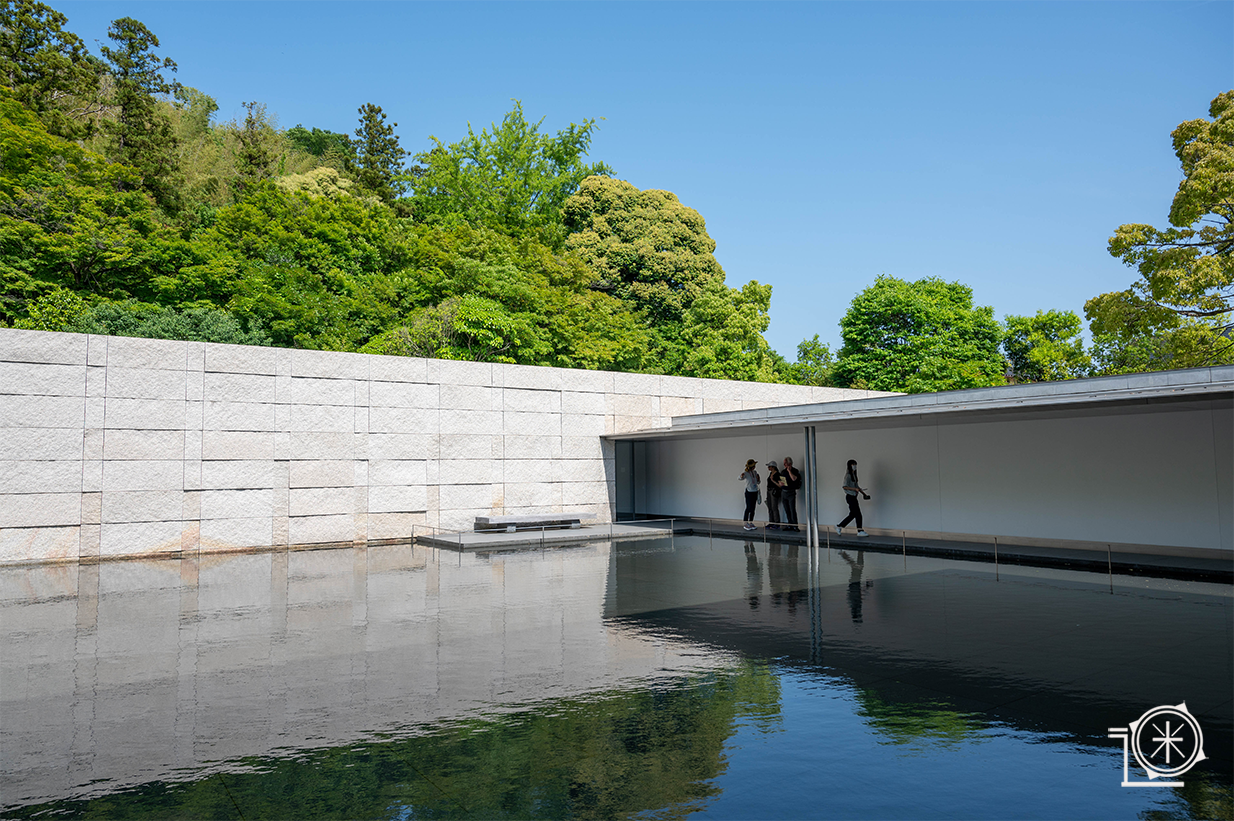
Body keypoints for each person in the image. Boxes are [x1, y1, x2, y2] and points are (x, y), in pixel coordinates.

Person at [836, 459, 870, 537]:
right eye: (853, 464)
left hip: (854, 497)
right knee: (858, 514)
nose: (854, 466)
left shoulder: (854, 475)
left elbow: (857, 487)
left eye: (855, 464)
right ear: (849, 466)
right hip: (850, 497)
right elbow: (844, 487)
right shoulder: (848, 475)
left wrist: (864, 494)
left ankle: (839, 526)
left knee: (853, 514)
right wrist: (854, 489)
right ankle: (860, 530)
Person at [781, 457, 801, 532]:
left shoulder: (795, 471)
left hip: (791, 492)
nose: (784, 465)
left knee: (792, 509)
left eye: (785, 463)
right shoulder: (783, 472)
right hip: (784, 492)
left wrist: (789, 471)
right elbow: (781, 481)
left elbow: (794, 478)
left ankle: (795, 525)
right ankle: (789, 524)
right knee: (787, 509)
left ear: (789, 464)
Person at [740, 459, 761, 530]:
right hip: (749, 491)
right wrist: (741, 476)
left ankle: (751, 522)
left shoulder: (755, 473)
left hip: (754, 491)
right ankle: (745, 523)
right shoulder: (746, 473)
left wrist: (758, 479)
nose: (754, 467)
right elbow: (740, 478)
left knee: (753, 508)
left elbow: (757, 482)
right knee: (748, 507)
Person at [765, 461, 786, 529]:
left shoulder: (778, 474)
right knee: (770, 507)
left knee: (774, 507)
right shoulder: (771, 473)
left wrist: (773, 481)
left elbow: (781, 485)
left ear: (773, 467)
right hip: (769, 490)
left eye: (770, 466)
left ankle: (776, 523)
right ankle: (771, 522)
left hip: (774, 491)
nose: (768, 468)